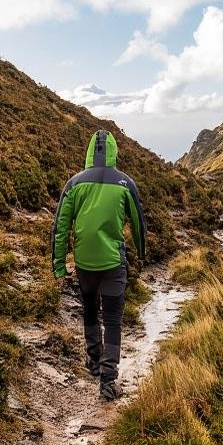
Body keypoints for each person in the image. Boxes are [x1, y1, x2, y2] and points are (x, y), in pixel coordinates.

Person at [51, 129, 146, 401]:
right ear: (114, 151)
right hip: (113, 263)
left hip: (84, 264)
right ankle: (107, 381)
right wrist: (141, 253)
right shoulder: (125, 183)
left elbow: (60, 227)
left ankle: (93, 361)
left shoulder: (74, 184)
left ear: (90, 151)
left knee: (90, 310)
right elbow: (138, 223)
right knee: (113, 320)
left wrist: (59, 265)